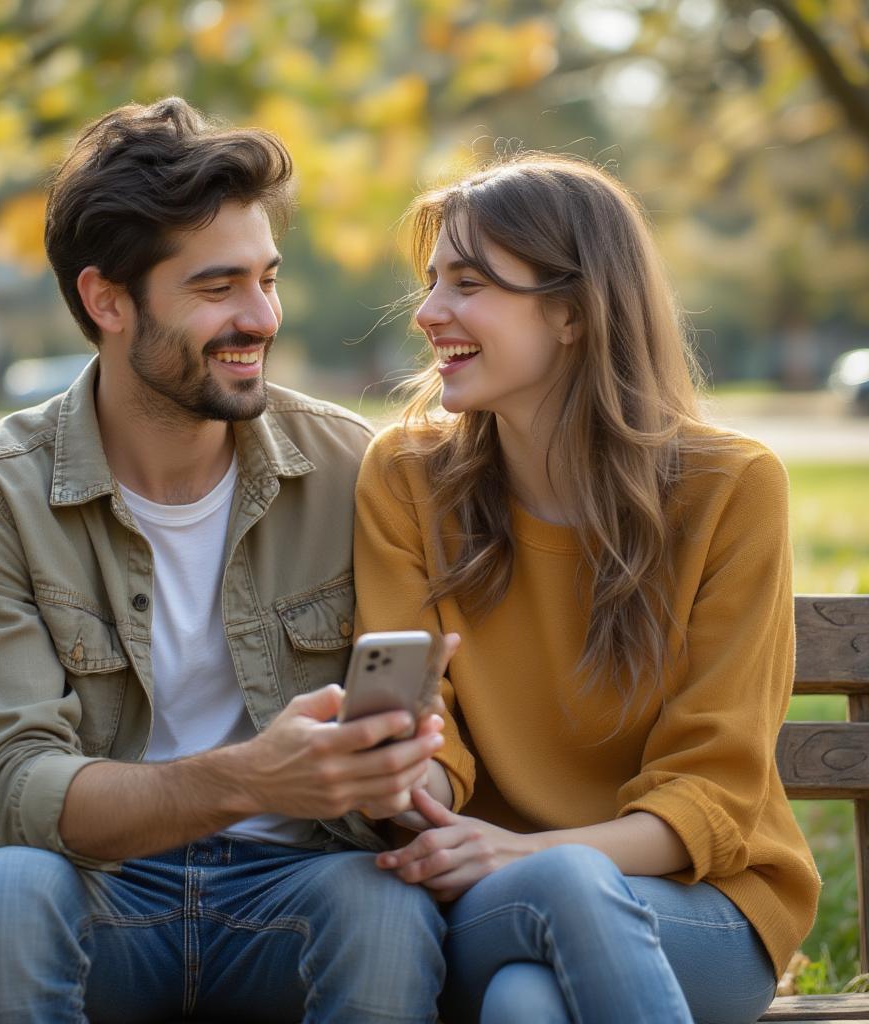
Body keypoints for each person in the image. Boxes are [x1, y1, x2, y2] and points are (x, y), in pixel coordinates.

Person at [0, 97, 451, 1024]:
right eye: (217, 289)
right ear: (106, 300)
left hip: (294, 892)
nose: (261, 318)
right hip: (96, 894)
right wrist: (246, 779)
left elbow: (423, 743)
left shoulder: (354, 470)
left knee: (384, 908)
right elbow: (13, 784)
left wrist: (395, 771)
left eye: (267, 279)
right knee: (3, 894)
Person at [354, 153, 820, 1024]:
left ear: (572, 312)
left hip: (700, 906)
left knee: (529, 1004)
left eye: (469, 283)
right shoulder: (407, 479)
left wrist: (534, 855)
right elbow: (432, 743)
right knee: (549, 911)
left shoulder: (731, 489)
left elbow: (714, 787)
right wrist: (400, 769)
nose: (428, 313)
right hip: (482, 900)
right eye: (430, 283)